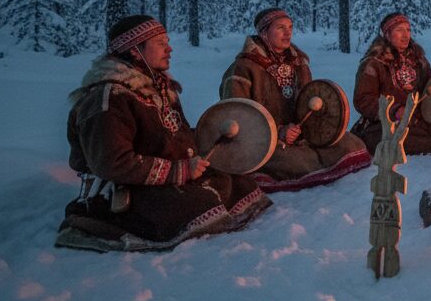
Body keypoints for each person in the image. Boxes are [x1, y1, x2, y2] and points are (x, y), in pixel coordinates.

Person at [55, 15, 271, 252]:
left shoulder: (160, 88)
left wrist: (208, 137)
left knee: (239, 184)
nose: (169, 49)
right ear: (136, 51)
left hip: (167, 175)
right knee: (201, 204)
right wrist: (180, 171)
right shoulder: (107, 99)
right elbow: (113, 163)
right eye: (160, 43)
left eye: (167, 41)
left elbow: (171, 133)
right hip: (126, 186)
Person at [220, 8, 370, 191]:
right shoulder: (243, 68)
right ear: (264, 32)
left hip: (300, 135)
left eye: (290, 27)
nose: (287, 32)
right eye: (280, 27)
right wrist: (279, 131)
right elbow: (237, 118)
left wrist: (313, 127)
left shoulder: (299, 63)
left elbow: (308, 102)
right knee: (299, 163)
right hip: (264, 142)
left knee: (352, 144)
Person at [351, 13, 431, 154]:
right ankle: (413, 143)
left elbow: (429, 89)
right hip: (385, 123)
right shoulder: (373, 64)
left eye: (408, 30)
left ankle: (416, 141)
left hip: (418, 119)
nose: (406, 35)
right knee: (387, 139)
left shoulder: (419, 60)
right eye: (399, 30)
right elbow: (363, 100)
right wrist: (394, 111)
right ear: (387, 34)